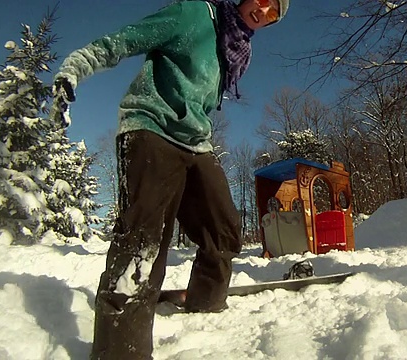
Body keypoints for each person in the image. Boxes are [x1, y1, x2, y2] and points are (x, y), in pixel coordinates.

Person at [51, 0, 289, 359]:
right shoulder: (193, 14)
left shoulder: (237, 49)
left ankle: (204, 309)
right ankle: (120, 350)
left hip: (196, 142)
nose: (264, 10)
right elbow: (125, 40)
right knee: (144, 237)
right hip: (151, 128)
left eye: (273, 14)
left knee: (223, 229)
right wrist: (76, 67)